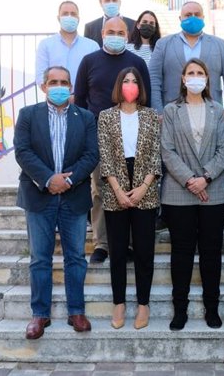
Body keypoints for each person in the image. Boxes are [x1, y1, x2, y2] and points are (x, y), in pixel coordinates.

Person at [14, 66, 99, 339]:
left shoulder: (85, 117)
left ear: (71, 86)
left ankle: (76, 311)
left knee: (76, 257)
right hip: (39, 196)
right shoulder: (28, 115)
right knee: (40, 258)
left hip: (74, 196)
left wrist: (68, 181)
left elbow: (91, 154)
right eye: (54, 82)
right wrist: (49, 179)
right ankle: (40, 315)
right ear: (44, 86)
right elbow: (23, 151)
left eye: (64, 82)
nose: (59, 86)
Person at [74, 17, 151, 264]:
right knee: (100, 188)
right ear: (102, 34)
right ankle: (102, 243)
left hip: (132, 133)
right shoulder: (89, 62)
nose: (115, 35)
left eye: (120, 32)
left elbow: (145, 99)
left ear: (127, 36)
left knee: (131, 185)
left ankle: (127, 242)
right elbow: (80, 101)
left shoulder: (137, 62)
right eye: (110, 31)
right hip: (98, 134)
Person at [160, 58, 224, 331]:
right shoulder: (171, 110)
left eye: (201, 72)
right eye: (191, 73)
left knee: (211, 252)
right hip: (179, 192)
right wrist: (190, 180)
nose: (196, 77)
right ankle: (180, 309)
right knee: (182, 252)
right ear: (183, 78)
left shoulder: (217, 109)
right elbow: (167, 150)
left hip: (213, 191)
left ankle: (212, 307)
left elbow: (223, 150)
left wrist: (206, 178)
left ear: (207, 79)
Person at [97, 68, 161, 330]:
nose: (131, 85)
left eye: (135, 81)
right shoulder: (106, 117)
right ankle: (119, 302)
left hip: (145, 188)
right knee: (118, 250)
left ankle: (143, 304)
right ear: (119, 84)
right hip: (116, 191)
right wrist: (119, 191)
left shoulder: (151, 117)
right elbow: (105, 156)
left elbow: (157, 154)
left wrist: (144, 187)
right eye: (126, 80)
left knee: (145, 251)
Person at [149, 1, 224, 114]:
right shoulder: (163, 44)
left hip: (211, 113)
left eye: (197, 14)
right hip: (173, 113)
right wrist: (158, 112)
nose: (193, 18)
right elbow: (153, 79)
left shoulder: (220, 45)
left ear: (203, 17)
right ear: (180, 18)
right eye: (188, 15)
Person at [35, 1, 100, 87]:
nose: (69, 17)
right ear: (58, 18)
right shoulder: (46, 45)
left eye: (73, 14)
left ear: (78, 19)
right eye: (65, 14)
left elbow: (96, 76)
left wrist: (78, 96)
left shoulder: (92, 46)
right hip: (55, 98)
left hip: (83, 99)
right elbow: (41, 77)